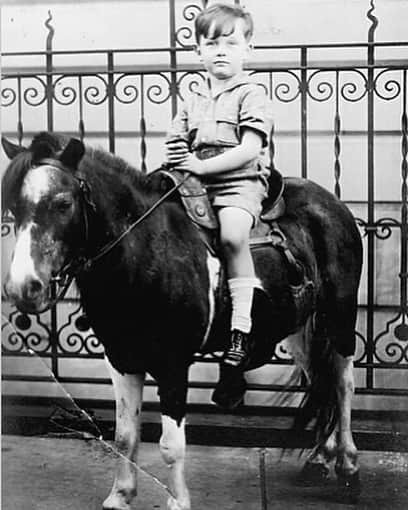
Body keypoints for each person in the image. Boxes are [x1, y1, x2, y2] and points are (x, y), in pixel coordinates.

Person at [165, 2, 273, 406]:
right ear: (198, 51)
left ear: (248, 49)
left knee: (231, 236)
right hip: (193, 181)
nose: (221, 51)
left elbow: (249, 148)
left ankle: (240, 330)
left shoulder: (251, 93)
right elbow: (176, 143)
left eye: (231, 43)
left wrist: (201, 165)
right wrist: (179, 159)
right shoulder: (191, 98)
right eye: (212, 43)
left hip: (237, 181)